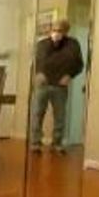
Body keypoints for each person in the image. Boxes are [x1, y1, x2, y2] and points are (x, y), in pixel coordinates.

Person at [30, 18, 83, 154]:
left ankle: (57, 144)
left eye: (59, 30)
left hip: (60, 86)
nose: (56, 33)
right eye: (54, 30)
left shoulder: (73, 44)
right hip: (43, 84)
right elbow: (35, 61)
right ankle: (36, 143)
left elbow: (79, 64)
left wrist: (69, 75)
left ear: (66, 31)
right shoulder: (42, 44)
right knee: (37, 113)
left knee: (60, 116)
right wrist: (38, 73)